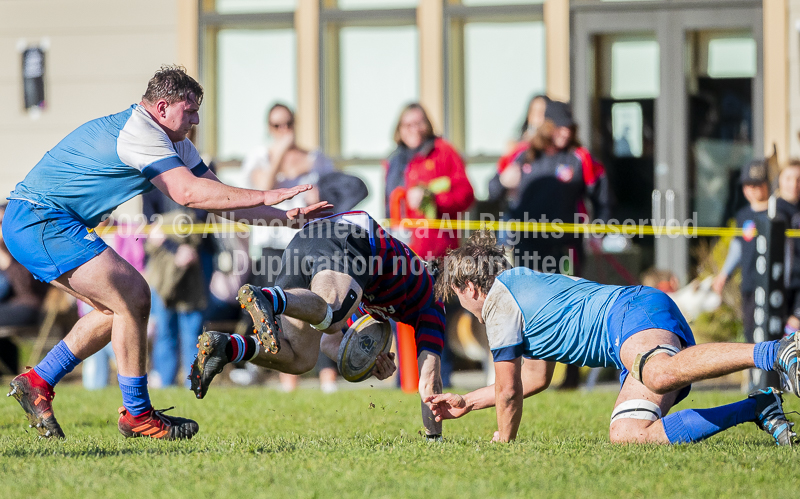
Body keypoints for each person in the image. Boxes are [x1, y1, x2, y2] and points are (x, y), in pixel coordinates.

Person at [3, 65, 331, 440]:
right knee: (133, 294)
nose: (194, 120)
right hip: (39, 218)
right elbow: (187, 193)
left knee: (117, 310)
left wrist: (284, 217)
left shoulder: (175, 142)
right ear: (161, 107)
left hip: (48, 221)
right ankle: (138, 415)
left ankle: (38, 382)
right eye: (188, 111)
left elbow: (219, 198)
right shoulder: (140, 131)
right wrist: (268, 194)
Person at [425, 231, 798, 445]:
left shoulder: (499, 305)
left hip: (630, 311)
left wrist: (504, 441)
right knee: (628, 435)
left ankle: (778, 351)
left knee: (658, 373)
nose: (460, 304)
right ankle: (757, 407)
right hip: (634, 321)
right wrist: (468, 401)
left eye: (455, 294)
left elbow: (508, 392)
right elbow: (535, 379)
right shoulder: (521, 288)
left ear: (469, 287)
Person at [191, 211, 447, 440]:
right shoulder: (432, 301)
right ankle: (268, 298)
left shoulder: (374, 297)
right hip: (348, 237)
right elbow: (430, 380)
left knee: (301, 358)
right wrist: (434, 438)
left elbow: (329, 341)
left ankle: (228, 347)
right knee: (333, 314)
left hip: (305, 242)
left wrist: (366, 364)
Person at [241, 103, 341, 392]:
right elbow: (265, 190)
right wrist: (281, 154)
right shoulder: (258, 157)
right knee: (280, 311)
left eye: (288, 124)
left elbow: (332, 193)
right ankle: (289, 378)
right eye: (276, 126)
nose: (283, 130)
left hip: (310, 244)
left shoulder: (316, 157)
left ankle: (327, 375)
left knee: (319, 304)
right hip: (274, 246)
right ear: (269, 129)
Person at [385, 103, 474, 260]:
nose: (415, 129)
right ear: (399, 129)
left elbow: (466, 194)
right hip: (402, 252)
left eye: (419, 123)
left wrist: (431, 199)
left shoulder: (443, 152)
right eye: (408, 125)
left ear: (428, 124)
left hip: (439, 254)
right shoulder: (393, 161)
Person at [0, 204, 49, 374]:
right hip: (8, 306)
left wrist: (6, 261)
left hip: (28, 306)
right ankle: (10, 372)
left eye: (1, 222)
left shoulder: (27, 246)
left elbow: (26, 288)